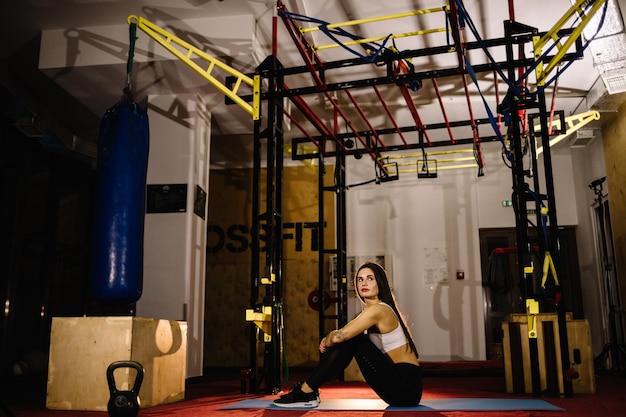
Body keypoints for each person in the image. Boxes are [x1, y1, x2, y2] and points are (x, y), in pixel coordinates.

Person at [274, 262, 422, 408]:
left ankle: (306, 390)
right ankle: (308, 390)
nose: (364, 283)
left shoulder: (379, 310)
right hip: (404, 389)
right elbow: (342, 335)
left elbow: (340, 336)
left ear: (380, 283)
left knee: (354, 339)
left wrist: (327, 339)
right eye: (360, 279)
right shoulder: (373, 311)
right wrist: (333, 337)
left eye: (370, 278)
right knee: (352, 339)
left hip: (405, 387)